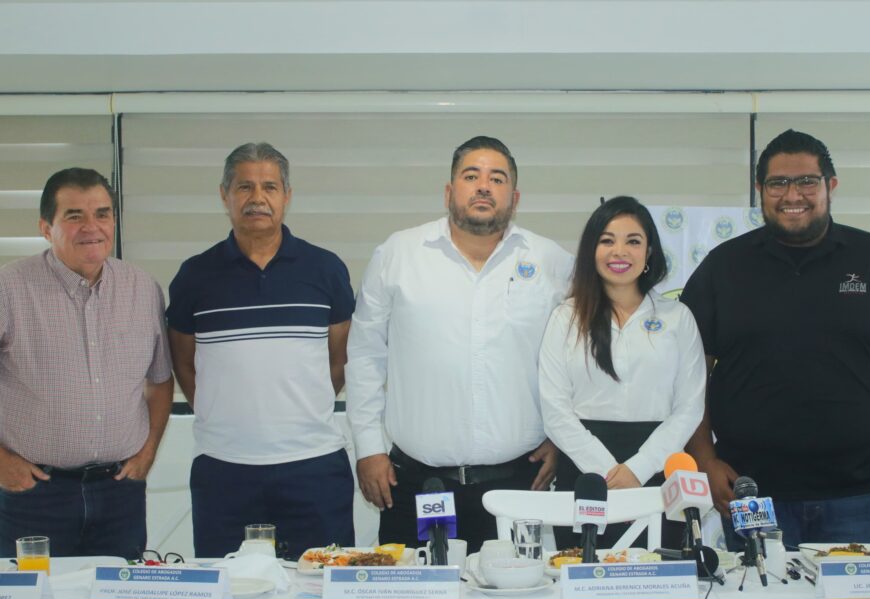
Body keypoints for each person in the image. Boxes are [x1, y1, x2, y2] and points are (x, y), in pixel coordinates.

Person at [680, 129, 870, 547]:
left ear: (831, 186)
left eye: (807, 181)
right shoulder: (723, 268)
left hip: (865, 494)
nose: (793, 194)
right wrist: (705, 460)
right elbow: (688, 376)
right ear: (760, 190)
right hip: (751, 492)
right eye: (778, 183)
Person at [347, 136, 574, 553]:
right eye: (471, 176)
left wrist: (563, 440)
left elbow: (578, 361)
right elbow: (364, 356)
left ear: (515, 196)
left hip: (518, 488)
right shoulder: (398, 254)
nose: (483, 186)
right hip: (416, 483)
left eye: (497, 178)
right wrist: (368, 448)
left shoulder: (552, 263)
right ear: (449, 191)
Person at [167, 142, 355, 558]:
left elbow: (340, 358)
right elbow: (184, 360)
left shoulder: (325, 269)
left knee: (323, 590)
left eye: (269, 187)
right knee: (231, 598)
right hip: (224, 470)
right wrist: (226, 414)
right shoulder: (195, 276)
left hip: (314, 467)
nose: (257, 198)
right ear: (224, 195)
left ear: (286, 195)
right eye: (244, 187)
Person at [0, 168, 173, 559]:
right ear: (46, 227)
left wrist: (147, 452)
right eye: (74, 215)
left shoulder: (142, 288)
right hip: (34, 493)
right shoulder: (9, 288)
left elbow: (160, 380)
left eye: (103, 213)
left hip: (120, 492)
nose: (91, 227)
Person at [538, 196, 705, 547]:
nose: (620, 252)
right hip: (583, 470)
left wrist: (639, 470)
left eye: (633, 241)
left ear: (649, 254)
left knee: (660, 584)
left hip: (659, 469)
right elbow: (554, 409)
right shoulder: (565, 318)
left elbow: (689, 406)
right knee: (582, 580)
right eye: (607, 240)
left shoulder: (678, 317)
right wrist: (606, 473)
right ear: (590, 251)